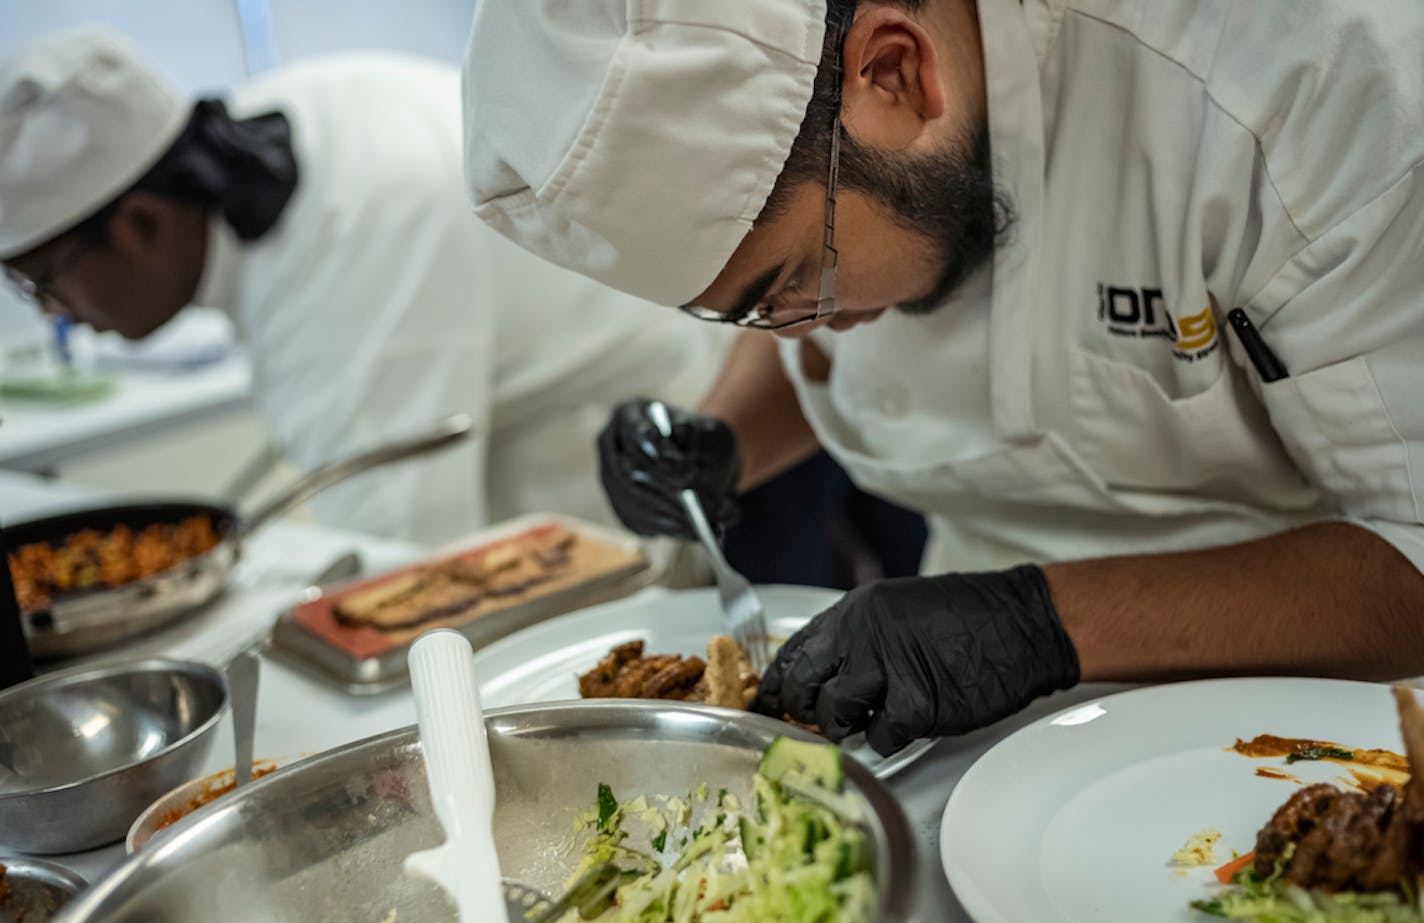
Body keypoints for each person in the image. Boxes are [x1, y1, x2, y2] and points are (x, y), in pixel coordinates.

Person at [462, 0, 1424, 754]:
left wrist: (1042, 623)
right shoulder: (847, 183)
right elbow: (823, 346)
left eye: (800, 280)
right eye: (750, 310)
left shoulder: (1310, 90)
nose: (799, 330)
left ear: (894, 70)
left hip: (1312, 707)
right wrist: (720, 442)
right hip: (950, 684)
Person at [0, 26, 733, 545]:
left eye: (47, 282)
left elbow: (402, 556)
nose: (57, 314)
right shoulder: (282, 114)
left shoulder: (352, 254)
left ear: (142, 223)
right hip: (564, 418)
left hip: (683, 436)